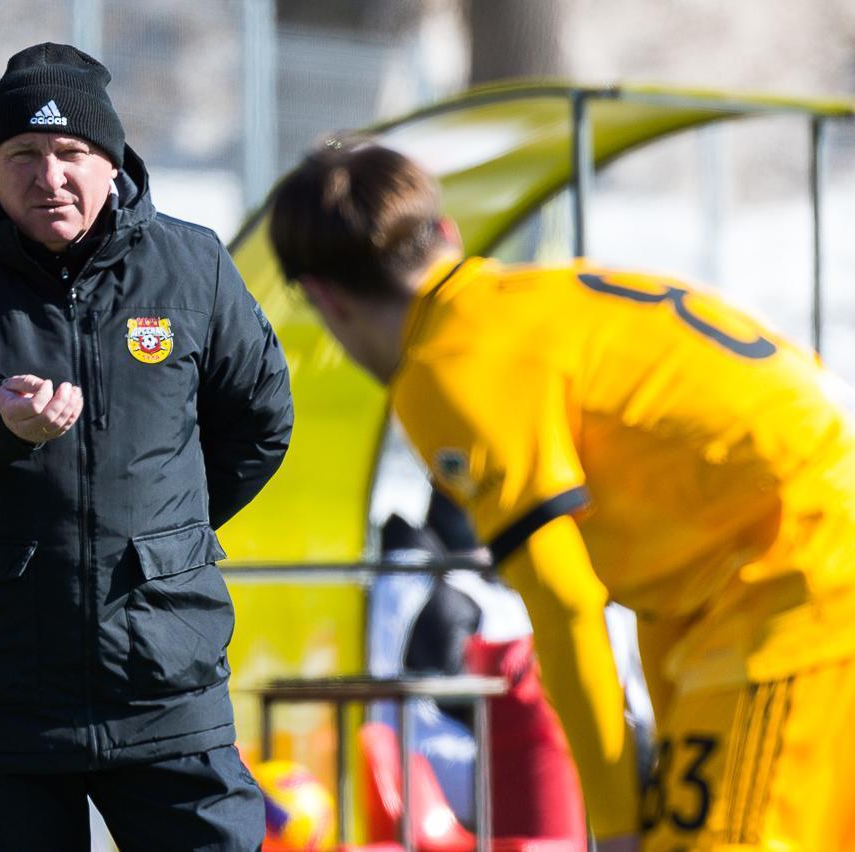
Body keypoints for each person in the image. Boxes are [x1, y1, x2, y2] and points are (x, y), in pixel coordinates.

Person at [267, 139, 855, 850]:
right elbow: (669, 544)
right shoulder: (539, 296)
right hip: (779, 557)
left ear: (323, 298)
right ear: (446, 233)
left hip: (796, 573)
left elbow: (564, 603)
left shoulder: (445, 367)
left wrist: (614, 823)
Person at [0, 42, 292, 851]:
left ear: (111, 165)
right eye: (23, 154)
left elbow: (260, 421)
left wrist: (164, 539)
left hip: (163, 681)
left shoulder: (192, 265)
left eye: (70, 152)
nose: (49, 176)